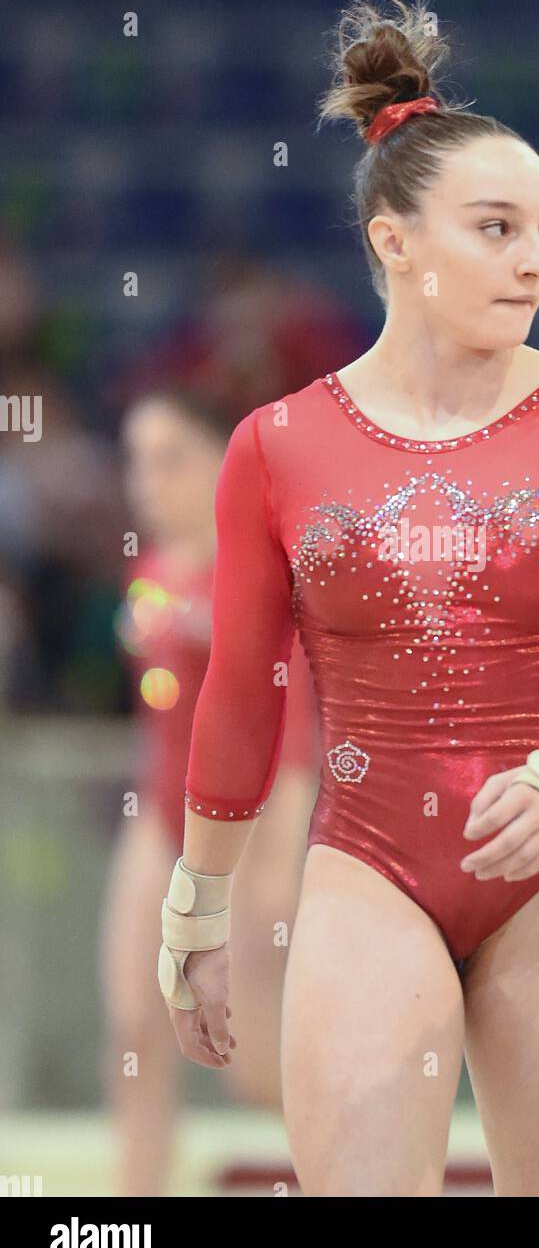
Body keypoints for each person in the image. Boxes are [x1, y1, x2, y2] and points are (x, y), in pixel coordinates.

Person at [160, 0, 539, 1197]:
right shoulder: (277, 445)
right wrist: (199, 911)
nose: (534, 258)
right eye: (496, 227)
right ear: (394, 242)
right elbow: (241, 694)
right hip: (366, 867)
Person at [100, 388, 319, 1196]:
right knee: (134, 1032)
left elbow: (289, 722)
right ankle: (131, 1216)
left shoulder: (254, 571)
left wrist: (274, 872)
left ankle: (365, 1174)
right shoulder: (149, 571)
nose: (145, 484)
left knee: (255, 1066)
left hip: (250, 827)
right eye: (135, 463)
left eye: (167, 462)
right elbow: (160, 715)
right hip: (161, 819)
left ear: (216, 465)